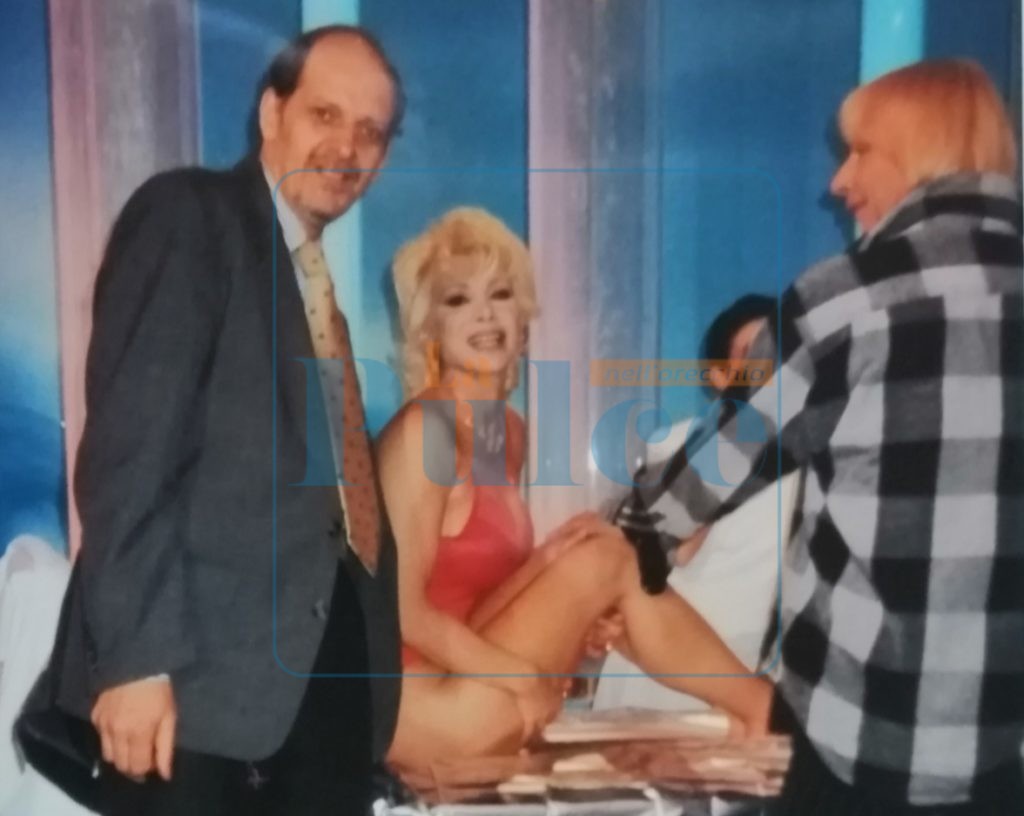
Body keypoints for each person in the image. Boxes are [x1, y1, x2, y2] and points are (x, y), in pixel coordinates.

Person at [614, 59, 1023, 814]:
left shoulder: (845, 299)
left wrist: (620, 546)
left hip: (855, 750)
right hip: (1004, 757)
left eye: (860, 151)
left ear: (921, 149)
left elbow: (701, 483)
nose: (840, 181)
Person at [46, 26, 403, 816]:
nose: (347, 148)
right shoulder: (191, 217)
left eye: (370, 132)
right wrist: (136, 664)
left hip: (318, 693)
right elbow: (130, 457)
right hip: (193, 690)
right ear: (272, 113)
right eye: (325, 115)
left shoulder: (314, 288)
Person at [376, 207, 774, 769]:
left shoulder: (507, 431)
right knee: (609, 557)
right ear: (429, 330)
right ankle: (765, 709)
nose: (485, 314)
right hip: (420, 713)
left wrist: (549, 563)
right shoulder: (429, 428)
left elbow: (472, 604)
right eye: (458, 300)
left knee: (600, 550)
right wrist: (524, 677)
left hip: (468, 686)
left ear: (523, 315)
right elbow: (404, 615)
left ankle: (758, 711)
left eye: (501, 293)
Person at [595, 295, 802, 712]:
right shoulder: (681, 441)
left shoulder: (806, 455)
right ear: (720, 377)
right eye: (753, 353)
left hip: (750, 674)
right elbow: (671, 551)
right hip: (668, 674)